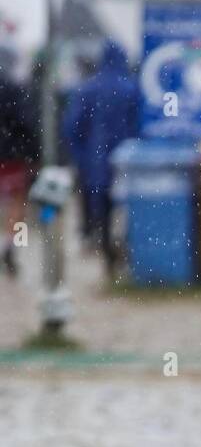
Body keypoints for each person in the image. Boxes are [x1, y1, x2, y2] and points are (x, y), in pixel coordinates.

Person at [63, 40, 139, 277]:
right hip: (127, 161)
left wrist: (81, 157)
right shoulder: (131, 89)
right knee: (129, 209)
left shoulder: (86, 89)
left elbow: (72, 127)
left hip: (95, 162)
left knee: (102, 210)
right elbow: (139, 126)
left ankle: (107, 253)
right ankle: (126, 253)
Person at [0, 52, 40, 276]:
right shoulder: (13, 89)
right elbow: (26, 123)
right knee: (17, 204)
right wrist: (34, 154)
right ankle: (12, 245)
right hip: (11, 155)